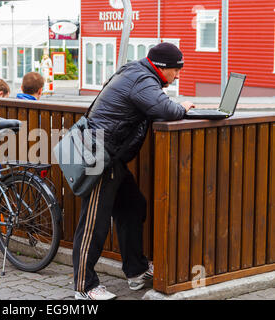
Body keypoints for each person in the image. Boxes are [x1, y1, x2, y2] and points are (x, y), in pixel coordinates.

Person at [73, 42, 195, 300]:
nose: (178, 75)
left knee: (133, 206)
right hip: (99, 156)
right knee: (93, 222)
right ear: (162, 68)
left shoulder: (138, 72)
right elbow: (166, 110)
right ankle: (84, 287)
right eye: (175, 70)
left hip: (111, 156)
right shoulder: (142, 79)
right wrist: (183, 107)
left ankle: (136, 272)